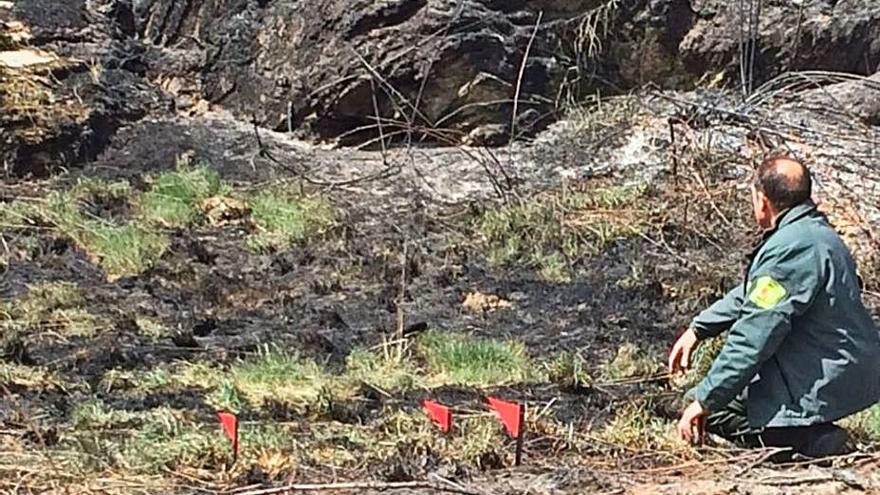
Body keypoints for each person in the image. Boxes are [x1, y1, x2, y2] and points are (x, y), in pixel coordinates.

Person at [668, 155, 880, 458]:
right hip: (845, 366)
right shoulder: (814, 235)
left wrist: (705, 399)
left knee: (714, 409)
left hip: (829, 373)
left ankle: (810, 440)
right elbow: (754, 293)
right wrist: (699, 328)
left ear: (761, 200)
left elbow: (754, 335)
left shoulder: (792, 247)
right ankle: (806, 432)